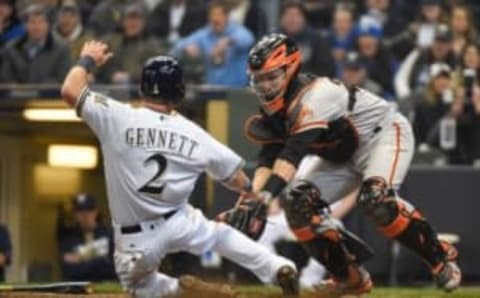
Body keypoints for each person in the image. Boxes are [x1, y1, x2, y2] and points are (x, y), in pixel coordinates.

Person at [60, 40, 298, 297]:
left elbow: (70, 90)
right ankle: (278, 266)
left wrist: (87, 59)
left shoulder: (117, 117)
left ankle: (185, 290)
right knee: (219, 235)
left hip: (135, 238)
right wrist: (248, 194)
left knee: (140, 287)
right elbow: (234, 176)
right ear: (179, 93)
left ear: (142, 89)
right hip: (178, 220)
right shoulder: (193, 133)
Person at [239, 33, 461, 296]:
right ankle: (349, 277)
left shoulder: (316, 96)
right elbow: (269, 156)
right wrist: (250, 200)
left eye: (271, 76)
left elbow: (292, 155)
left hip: (382, 136)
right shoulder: (276, 107)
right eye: (259, 79)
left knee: (375, 199)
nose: (264, 86)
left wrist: (264, 199)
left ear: (291, 68)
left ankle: (438, 258)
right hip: (341, 156)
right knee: (296, 203)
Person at [59, 193, 117, 281]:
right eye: (80, 211)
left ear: (96, 211)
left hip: (106, 289)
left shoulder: (109, 235)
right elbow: (69, 271)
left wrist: (81, 257)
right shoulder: (68, 240)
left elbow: (113, 267)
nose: (85, 215)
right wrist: (100, 258)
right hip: (78, 291)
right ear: (75, 214)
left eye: (89, 210)